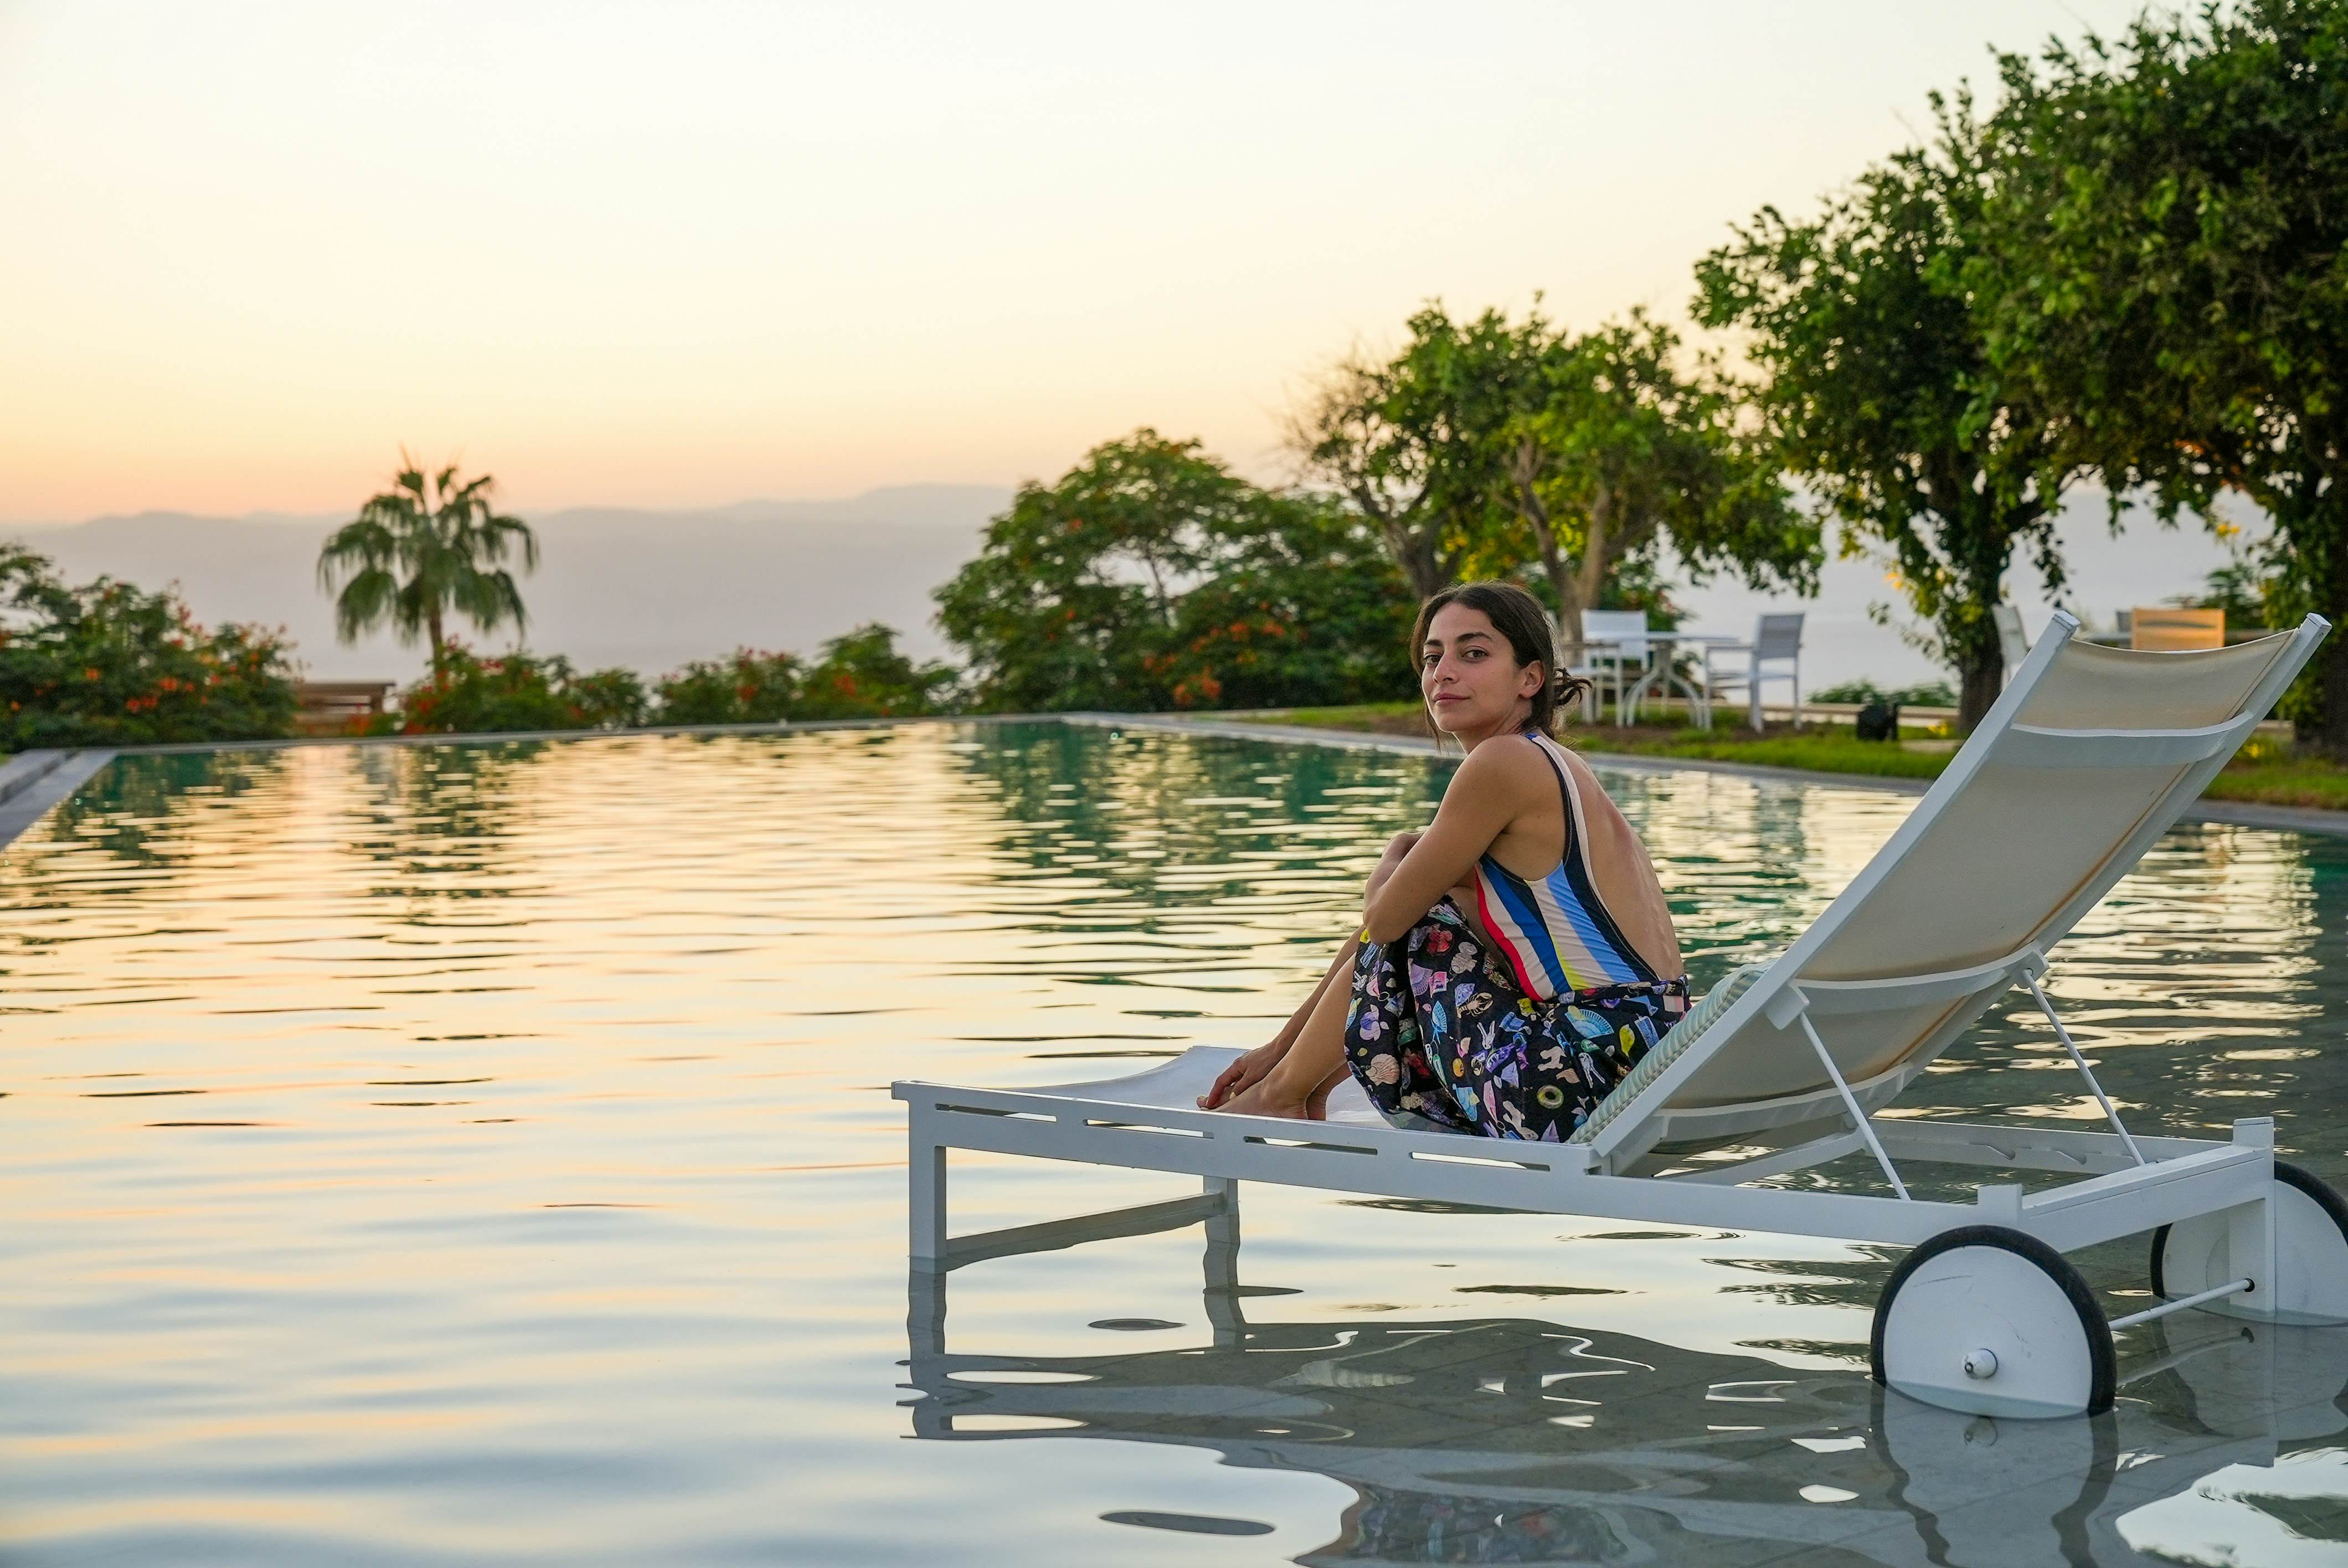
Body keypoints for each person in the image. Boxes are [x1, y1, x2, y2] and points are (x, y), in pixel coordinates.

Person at [1201, 581, 1688, 1140]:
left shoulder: (1503, 763)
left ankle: (1284, 1097)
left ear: (1530, 678)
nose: (1444, 672)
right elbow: (1376, 938)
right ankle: (1289, 1089)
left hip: (1581, 1076)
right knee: (1433, 910)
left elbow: (1386, 923)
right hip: (1647, 1057)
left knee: (1424, 923)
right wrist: (1278, 1047)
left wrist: (1395, 852)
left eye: (1473, 653)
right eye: (1432, 657)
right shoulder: (1552, 766)